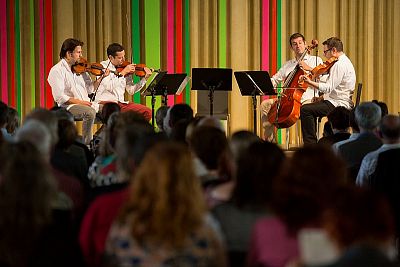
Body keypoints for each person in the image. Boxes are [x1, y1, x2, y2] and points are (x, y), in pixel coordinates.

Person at [260, 32, 323, 141]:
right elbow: (275, 79)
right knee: (265, 105)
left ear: (305, 44)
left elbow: (323, 79)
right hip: (288, 98)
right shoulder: (288, 64)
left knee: (305, 109)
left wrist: (308, 68)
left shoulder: (316, 60)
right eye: (294, 44)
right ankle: (269, 142)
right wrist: (263, 83)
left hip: (307, 99)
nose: (298, 46)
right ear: (291, 47)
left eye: (300, 43)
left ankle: (308, 144)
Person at [48, 38, 107, 144]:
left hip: (86, 103)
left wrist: (101, 78)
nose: (81, 55)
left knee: (112, 111)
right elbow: (59, 97)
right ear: (69, 54)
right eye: (78, 52)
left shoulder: (80, 68)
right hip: (67, 107)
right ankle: (87, 145)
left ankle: (97, 140)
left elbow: (90, 89)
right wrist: (81, 102)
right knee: (90, 112)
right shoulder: (57, 70)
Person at [300, 37, 356, 145]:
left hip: (338, 104)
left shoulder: (340, 65)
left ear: (334, 50)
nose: (325, 55)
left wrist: (309, 82)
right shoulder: (343, 61)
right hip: (335, 100)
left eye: (325, 51)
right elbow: (335, 88)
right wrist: (322, 98)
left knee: (305, 110)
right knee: (309, 107)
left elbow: (328, 87)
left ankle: (311, 146)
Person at [94, 43, 152, 120]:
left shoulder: (124, 67)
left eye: (124, 56)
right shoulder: (102, 67)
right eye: (120, 58)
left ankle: (130, 131)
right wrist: (123, 73)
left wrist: (144, 79)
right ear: (111, 57)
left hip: (120, 103)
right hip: (106, 103)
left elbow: (131, 91)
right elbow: (109, 87)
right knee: (117, 113)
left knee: (147, 112)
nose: (123, 60)